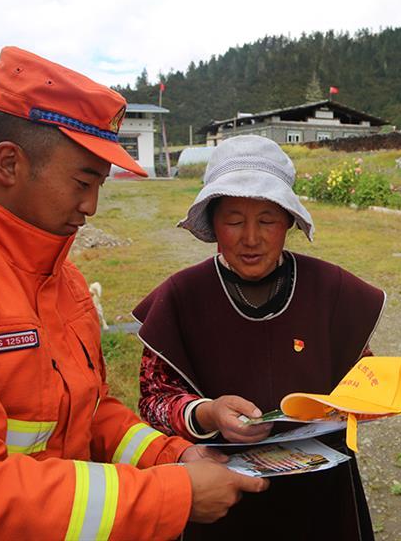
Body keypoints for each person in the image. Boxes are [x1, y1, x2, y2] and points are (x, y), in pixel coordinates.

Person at [0, 46, 267, 539]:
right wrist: (174, 494)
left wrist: (177, 455)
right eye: (83, 181)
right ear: (9, 164)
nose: (92, 206)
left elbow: (90, 414)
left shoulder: (63, 281)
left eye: (100, 184)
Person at [133, 134, 387, 540]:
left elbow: (363, 374)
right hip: (218, 501)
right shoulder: (182, 296)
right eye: (234, 220)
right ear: (213, 222)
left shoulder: (331, 289)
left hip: (320, 500)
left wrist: (370, 395)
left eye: (267, 220)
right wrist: (207, 412)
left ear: (288, 220)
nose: (251, 238)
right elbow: (154, 400)